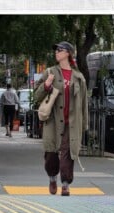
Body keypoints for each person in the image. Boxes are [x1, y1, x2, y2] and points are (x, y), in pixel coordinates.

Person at [33, 41, 88, 196]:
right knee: (50, 153)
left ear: (68, 53)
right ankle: (52, 178)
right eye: (56, 50)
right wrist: (46, 85)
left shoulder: (79, 77)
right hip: (53, 121)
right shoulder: (50, 72)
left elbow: (84, 103)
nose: (56, 52)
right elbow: (36, 96)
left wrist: (84, 125)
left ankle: (65, 184)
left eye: (60, 50)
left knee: (67, 153)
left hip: (71, 123)